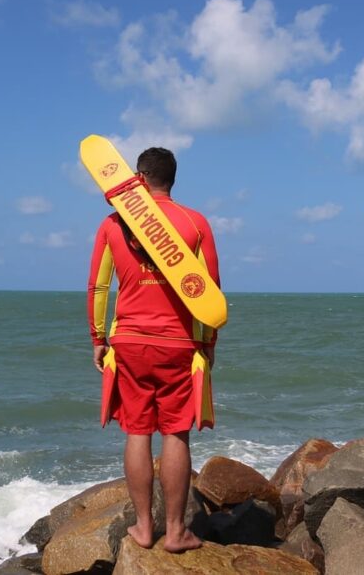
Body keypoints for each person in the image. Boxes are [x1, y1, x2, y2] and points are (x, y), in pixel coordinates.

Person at [87, 147, 220, 553]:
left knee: (137, 431)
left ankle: (145, 528)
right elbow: (209, 290)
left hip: (128, 341)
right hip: (178, 342)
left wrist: (98, 339)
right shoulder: (195, 223)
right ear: (172, 179)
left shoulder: (113, 223)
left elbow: (99, 287)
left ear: (138, 178)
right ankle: (177, 532)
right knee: (175, 434)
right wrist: (208, 344)